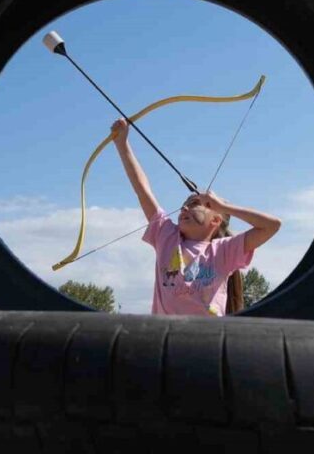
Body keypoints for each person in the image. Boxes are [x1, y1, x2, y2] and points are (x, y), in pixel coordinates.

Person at [110, 118, 281, 316]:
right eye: (185, 204)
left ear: (215, 221)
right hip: (165, 338)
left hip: (207, 339)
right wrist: (122, 144)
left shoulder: (224, 250)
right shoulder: (167, 236)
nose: (184, 208)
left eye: (195, 204)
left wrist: (223, 206)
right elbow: (142, 190)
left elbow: (272, 225)